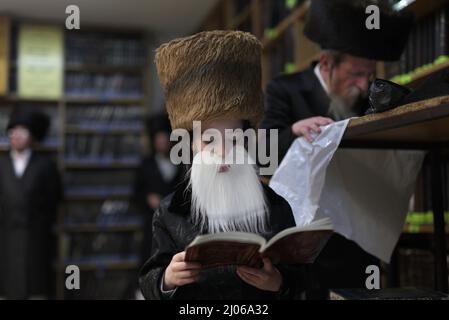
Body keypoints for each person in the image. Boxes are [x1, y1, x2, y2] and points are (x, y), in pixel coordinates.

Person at [261, 0, 415, 298]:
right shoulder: (285, 89)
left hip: (356, 232)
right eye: (355, 74)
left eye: (369, 75)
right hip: (303, 238)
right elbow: (263, 153)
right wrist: (292, 131)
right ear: (326, 64)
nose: (363, 84)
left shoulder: (368, 97)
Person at [139, 30, 305, 300]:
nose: (224, 152)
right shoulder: (171, 211)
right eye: (209, 141)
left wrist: (278, 282)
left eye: (234, 140)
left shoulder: (277, 207)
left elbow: (301, 277)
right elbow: (149, 279)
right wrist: (167, 280)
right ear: (192, 145)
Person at [0, 109, 62, 299]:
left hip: (37, 240)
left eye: (23, 131)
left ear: (32, 136)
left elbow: (54, 201)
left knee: (36, 289)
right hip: (5, 239)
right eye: (13, 131)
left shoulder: (46, 166)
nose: (17, 136)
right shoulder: (1, 164)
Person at [133, 112, 184, 263]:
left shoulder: (180, 165)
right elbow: (135, 194)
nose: (161, 143)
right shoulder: (146, 165)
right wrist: (148, 199)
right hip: (152, 224)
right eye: (158, 139)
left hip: (176, 226)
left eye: (164, 139)